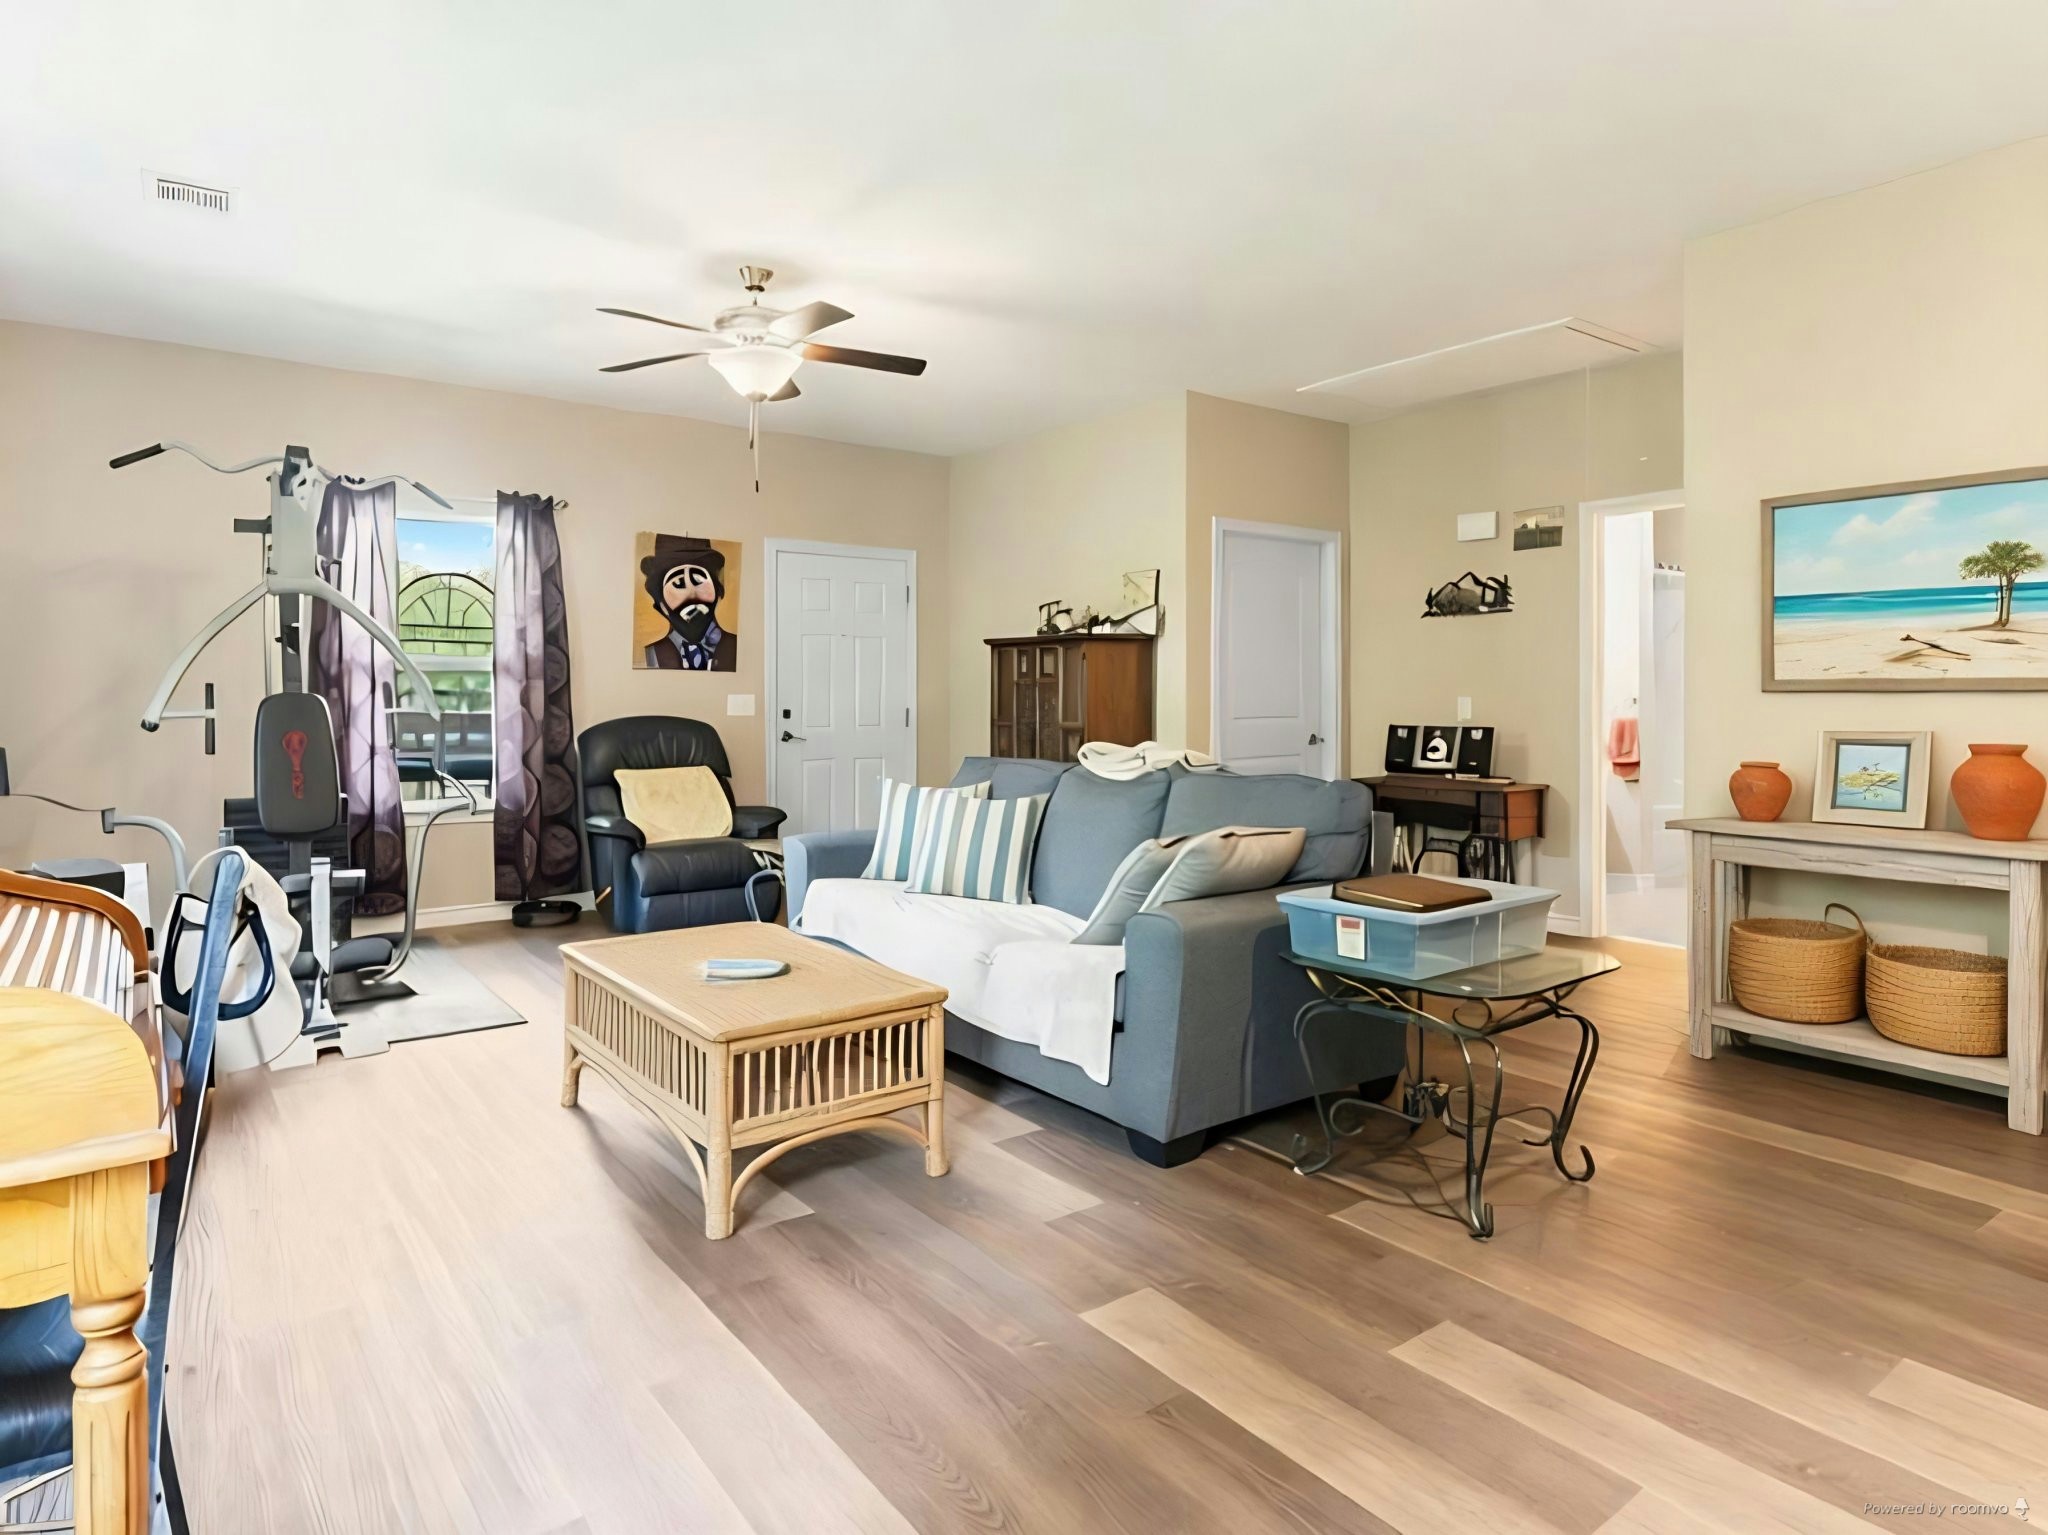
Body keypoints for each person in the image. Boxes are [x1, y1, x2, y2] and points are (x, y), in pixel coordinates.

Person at [640, 534, 733, 671]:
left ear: (717, 592)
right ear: (661, 604)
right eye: (678, 584)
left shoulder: (737, 647)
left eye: (699, 580)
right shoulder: (651, 654)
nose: (692, 594)